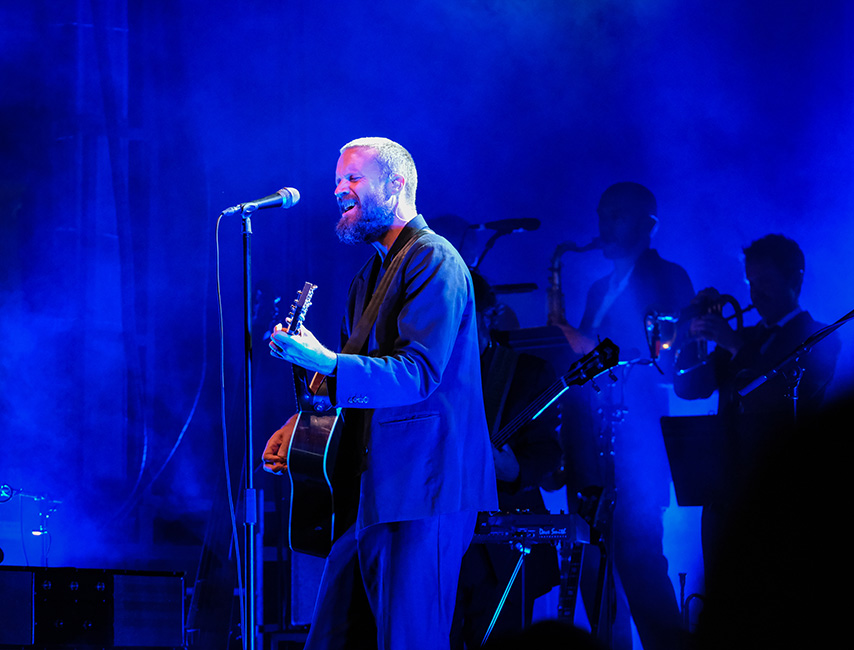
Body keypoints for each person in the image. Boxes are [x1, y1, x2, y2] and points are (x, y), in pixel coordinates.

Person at [262, 137, 498, 650]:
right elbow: (359, 380)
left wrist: (324, 360)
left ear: (396, 185)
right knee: (331, 639)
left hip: (423, 491)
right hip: (374, 492)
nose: (338, 190)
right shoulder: (369, 275)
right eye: (338, 180)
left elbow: (417, 373)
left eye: (353, 179)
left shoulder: (434, 259)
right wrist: (299, 424)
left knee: (410, 641)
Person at [555, 182, 693, 650]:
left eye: (617, 215)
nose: (603, 225)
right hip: (589, 448)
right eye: (602, 213)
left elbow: (666, 362)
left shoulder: (670, 278)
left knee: (639, 561)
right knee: (594, 569)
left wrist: (583, 345)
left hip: (638, 451)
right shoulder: (598, 288)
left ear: (648, 224)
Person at [673, 233, 841, 591]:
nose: (754, 293)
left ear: (795, 280)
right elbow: (691, 388)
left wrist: (733, 343)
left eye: (765, 282)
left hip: (779, 490)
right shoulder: (745, 336)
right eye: (750, 282)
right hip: (724, 492)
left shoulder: (819, 335)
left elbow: (779, 395)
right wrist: (695, 339)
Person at [452, 271, 563, 649]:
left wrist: (514, 469)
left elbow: (548, 451)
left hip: (504, 551)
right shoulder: (424, 376)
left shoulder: (526, 373)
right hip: (440, 542)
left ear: (488, 315)